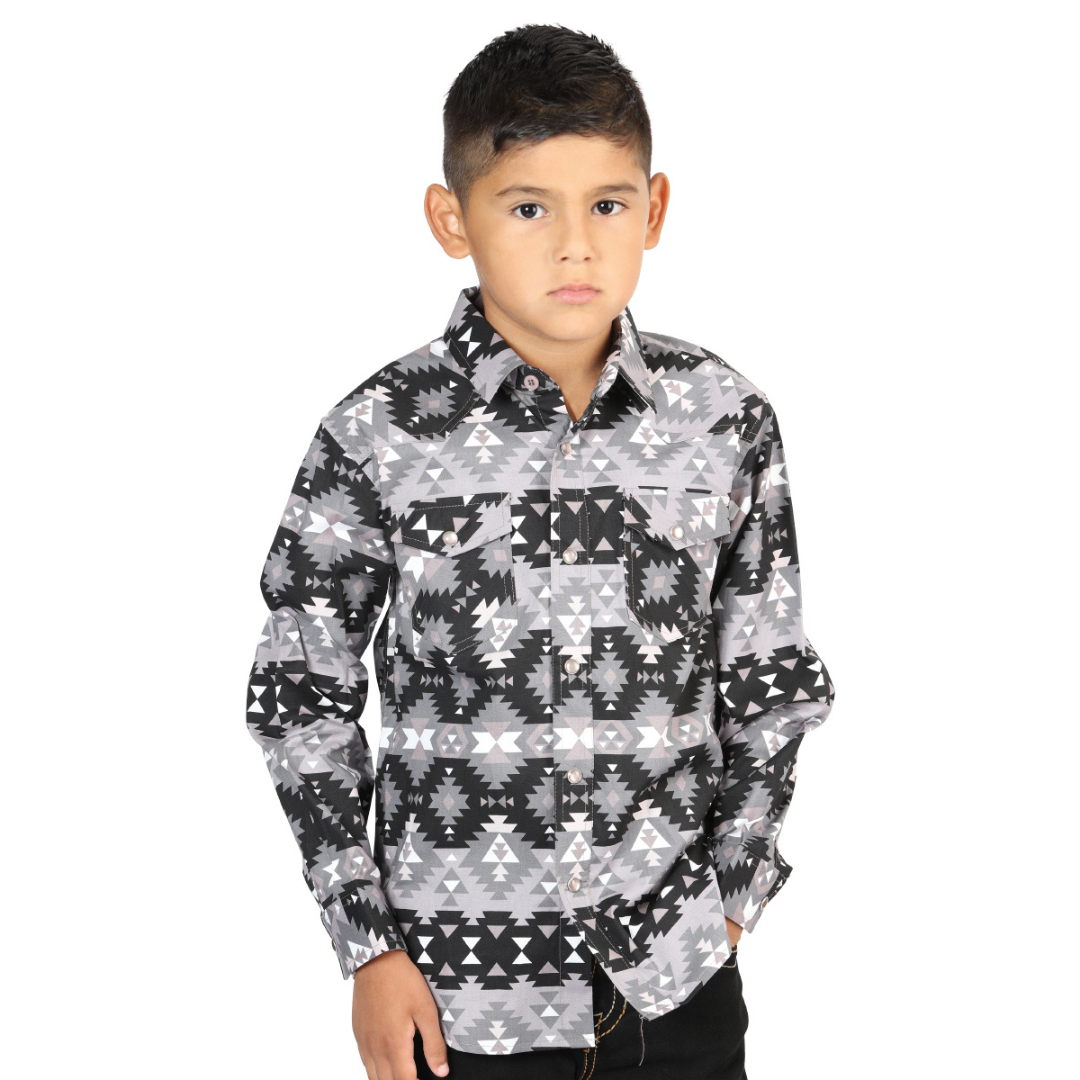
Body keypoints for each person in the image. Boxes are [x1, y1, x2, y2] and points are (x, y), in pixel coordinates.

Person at [245, 23, 835, 1080]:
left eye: (607, 204)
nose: (574, 246)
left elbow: (773, 684)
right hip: (454, 1002)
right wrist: (367, 947)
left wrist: (730, 902)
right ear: (451, 219)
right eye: (528, 208)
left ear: (654, 209)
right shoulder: (376, 434)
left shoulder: (724, 422)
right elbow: (301, 698)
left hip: (677, 986)